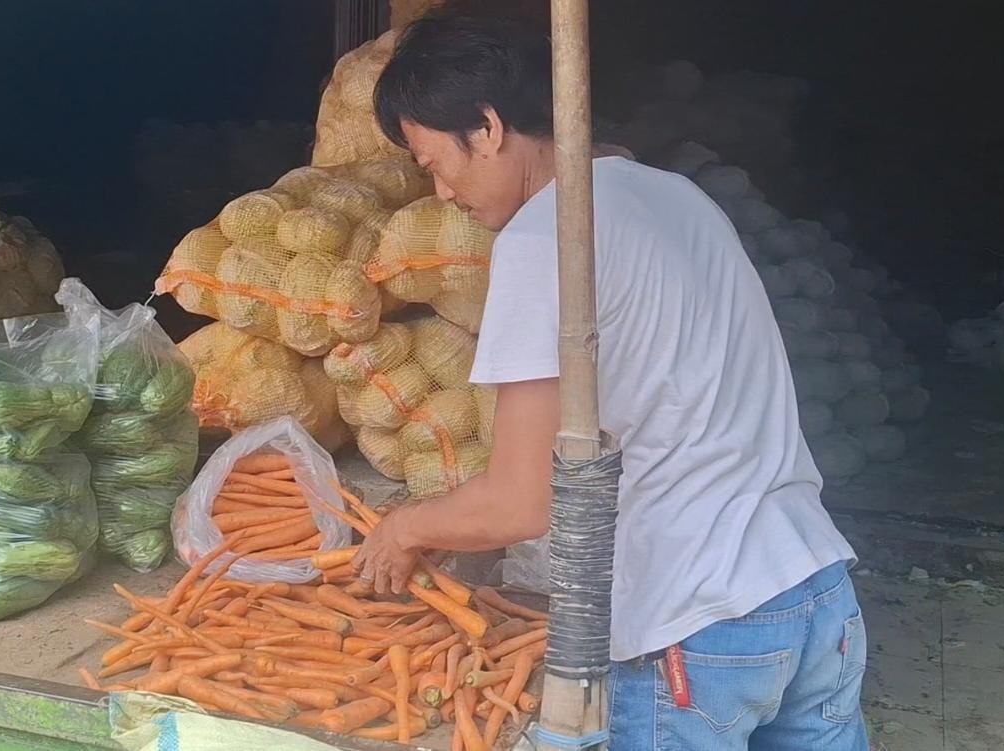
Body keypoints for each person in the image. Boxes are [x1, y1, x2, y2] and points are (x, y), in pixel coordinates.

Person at [354, 12, 869, 750]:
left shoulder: (546, 239)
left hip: (700, 626)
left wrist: (407, 525)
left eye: (435, 162)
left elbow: (520, 502)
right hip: (815, 593)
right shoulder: (678, 197)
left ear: (489, 128)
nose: (439, 191)